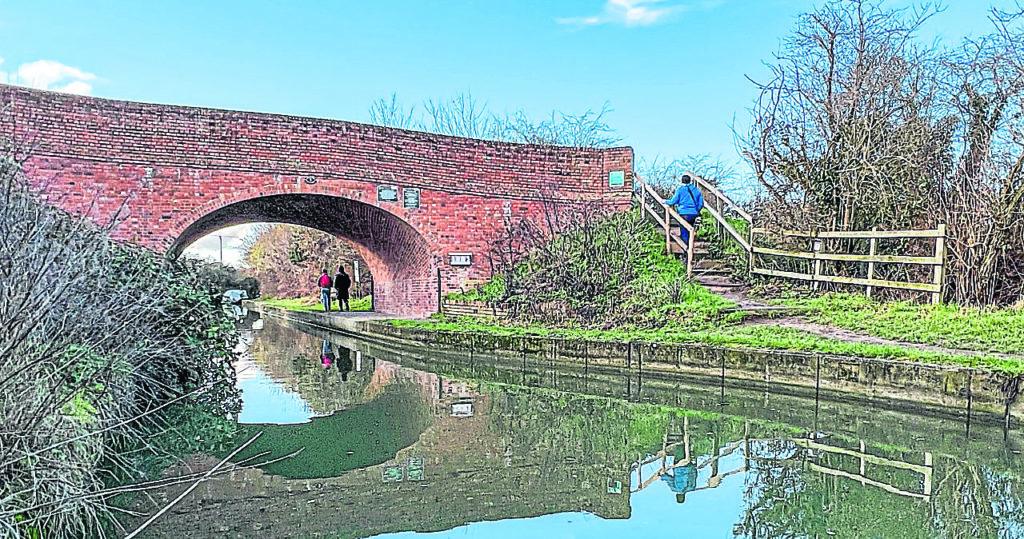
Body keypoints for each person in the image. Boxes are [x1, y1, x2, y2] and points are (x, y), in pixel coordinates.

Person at [664, 174, 705, 245]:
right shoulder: (696, 190)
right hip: (693, 214)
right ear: (690, 181)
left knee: (684, 232)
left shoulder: (680, 190)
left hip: (683, 213)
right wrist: (695, 210)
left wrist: (665, 201)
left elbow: (673, 201)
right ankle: (690, 247)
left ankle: (686, 250)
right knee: (690, 230)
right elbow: (701, 203)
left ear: (682, 181)